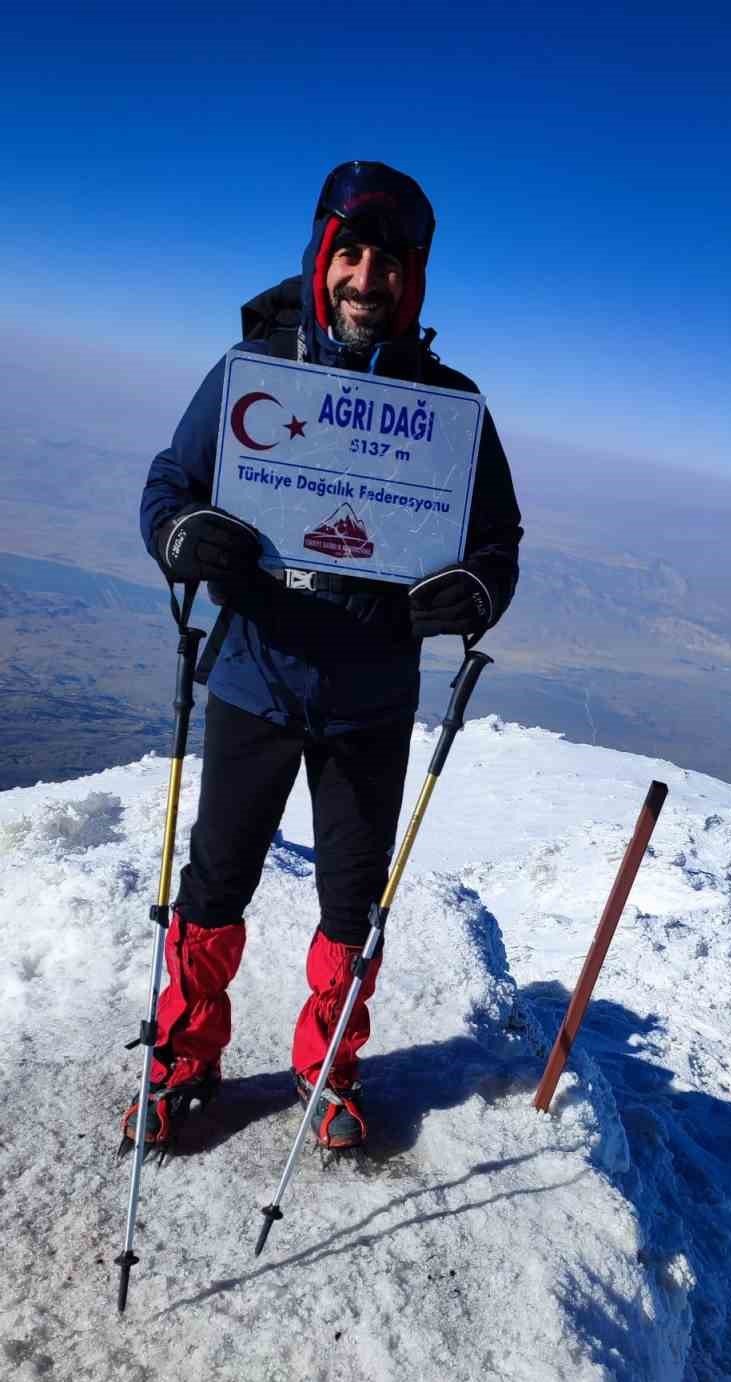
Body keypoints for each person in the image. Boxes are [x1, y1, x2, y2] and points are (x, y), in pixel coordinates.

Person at [123, 160, 522, 1152]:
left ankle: (326, 1064)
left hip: (371, 699)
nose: (365, 278)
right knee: (214, 884)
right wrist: (181, 535)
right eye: (349, 254)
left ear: (414, 280)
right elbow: (172, 481)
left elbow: (498, 541)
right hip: (256, 673)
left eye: (389, 263)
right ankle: (182, 1057)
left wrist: (473, 592)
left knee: (352, 902)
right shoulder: (253, 372)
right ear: (320, 259)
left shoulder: (449, 411)